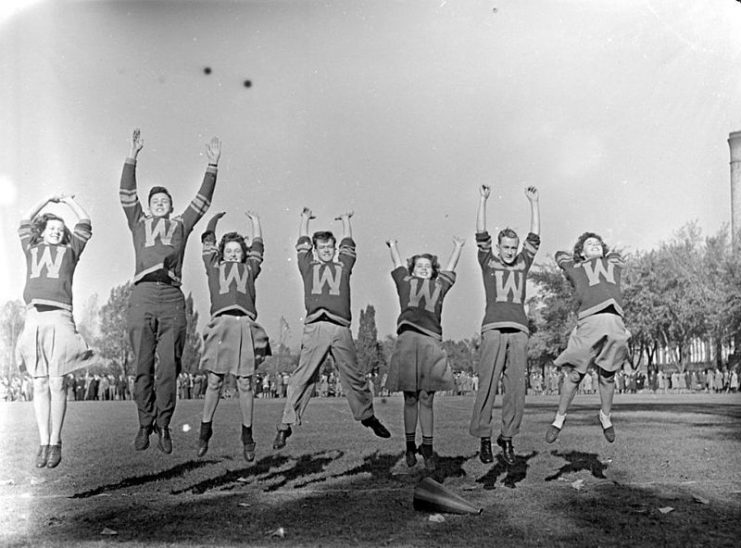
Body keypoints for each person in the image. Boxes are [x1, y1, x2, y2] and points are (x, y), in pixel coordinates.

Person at [120, 128, 220, 454]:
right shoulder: (139, 222)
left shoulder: (180, 225)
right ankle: (143, 423)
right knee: (142, 365)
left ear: (171, 206)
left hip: (172, 297)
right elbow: (126, 193)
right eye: (155, 201)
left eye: (165, 200)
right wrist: (132, 156)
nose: (160, 204)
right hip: (143, 296)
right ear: (149, 206)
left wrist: (212, 166)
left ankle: (164, 424)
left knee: (168, 368)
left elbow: (201, 202)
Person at [273, 208, 390, 449]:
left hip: (340, 328)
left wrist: (347, 222)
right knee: (303, 376)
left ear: (334, 249)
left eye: (330, 247)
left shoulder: (343, 265)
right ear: (316, 250)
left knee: (353, 376)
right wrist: (304, 219)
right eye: (322, 247)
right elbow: (302, 244)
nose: (326, 251)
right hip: (316, 326)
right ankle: (285, 424)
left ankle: (368, 416)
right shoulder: (308, 265)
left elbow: (348, 244)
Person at [16, 194, 93, 468]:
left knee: (58, 381)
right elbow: (25, 220)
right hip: (34, 316)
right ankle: (43, 441)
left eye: (60, 231)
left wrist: (69, 202)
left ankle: (56, 441)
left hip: (61, 316)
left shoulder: (71, 251)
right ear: (44, 231)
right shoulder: (31, 247)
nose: (56, 233)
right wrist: (47, 202)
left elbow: (85, 223)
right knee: (39, 382)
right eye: (52, 229)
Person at [468, 184, 540, 465]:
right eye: (505, 247)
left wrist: (534, 203)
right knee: (487, 382)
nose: (510, 252)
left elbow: (535, 236)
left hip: (519, 329)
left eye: (513, 247)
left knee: (515, 387)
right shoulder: (488, 262)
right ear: (498, 248)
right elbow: (480, 234)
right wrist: (483, 199)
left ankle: (507, 437)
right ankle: (484, 437)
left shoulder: (523, 262)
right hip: (494, 327)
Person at [385, 236, 464, 470]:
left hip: (430, 342)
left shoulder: (439, 286)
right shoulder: (405, 282)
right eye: (419, 265)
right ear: (413, 270)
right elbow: (398, 266)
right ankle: (410, 446)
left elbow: (450, 269)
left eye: (427, 266)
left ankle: (427, 449)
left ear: (433, 272)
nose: (423, 269)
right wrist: (393, 246)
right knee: (410, 397)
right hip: (408, 341)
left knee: (427, 398)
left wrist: (457, 248)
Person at [196, 211, 271, 462]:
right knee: (215, 381)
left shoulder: (250, 267)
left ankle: (247, 435)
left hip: (244, 324)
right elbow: (207, 242)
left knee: (245, 383)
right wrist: (214, 221)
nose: (232, 254)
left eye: (237, 250)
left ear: (244, 253)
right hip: (221, 323)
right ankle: (205, 430)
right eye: (228, 250)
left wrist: (256, 222)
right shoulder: (214, 266)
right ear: (222, 252)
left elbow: (259, 247)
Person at [545, 232, 630, 444]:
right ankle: (559, 418)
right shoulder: (577, 268)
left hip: (614, 320)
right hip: (589, 320)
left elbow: (617, 256)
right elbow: (559, 256)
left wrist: (602, 250)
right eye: (589, 244)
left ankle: (605, 416)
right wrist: (579, 257)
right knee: (575, 374)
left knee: (608, 375)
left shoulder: (613, 264)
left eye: (598, 244)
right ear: (581, 253)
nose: (595, 245)